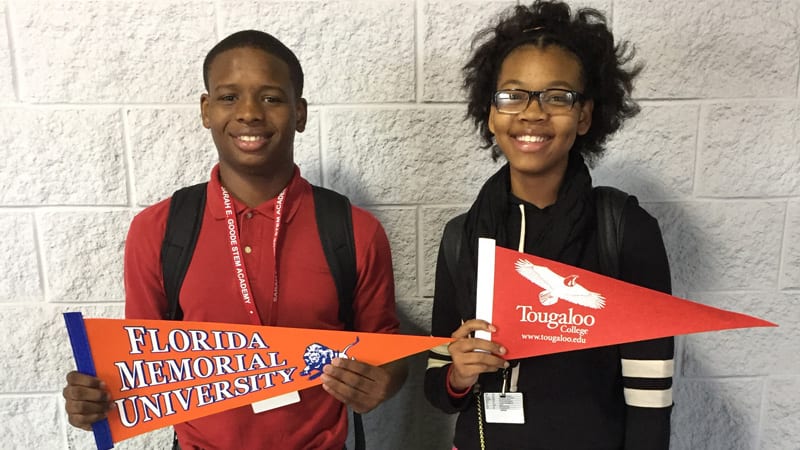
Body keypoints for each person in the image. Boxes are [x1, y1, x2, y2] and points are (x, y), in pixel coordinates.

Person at [62, 30, 407, 449]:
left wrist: (383, 381)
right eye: (228, 97)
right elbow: (140, 366)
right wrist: (95, 401)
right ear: (206, 110)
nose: (248, 113)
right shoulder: (159, 229)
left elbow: (388, 352)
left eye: (271, 98)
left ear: (299, 113)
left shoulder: (354, 230)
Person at [424, 2, 674, 449]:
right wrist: (458, 374)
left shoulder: (624, 230)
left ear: (585, 115)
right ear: (491, 113)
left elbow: (650, 400)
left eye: (557, 97)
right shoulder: (461, 237)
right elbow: (438, 389)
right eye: (513, 95)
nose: (533, 113)